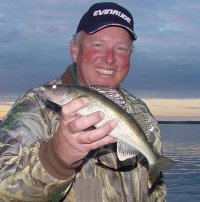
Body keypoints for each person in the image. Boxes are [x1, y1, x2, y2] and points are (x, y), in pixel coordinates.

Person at [0, 2, 167, 202]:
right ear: (75, 50)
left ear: (130, 57)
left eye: (121, 48)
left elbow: (156, 194)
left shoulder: (140, 111)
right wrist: (57, 158)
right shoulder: (34, 107)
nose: (109, 58)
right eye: (98, 45)